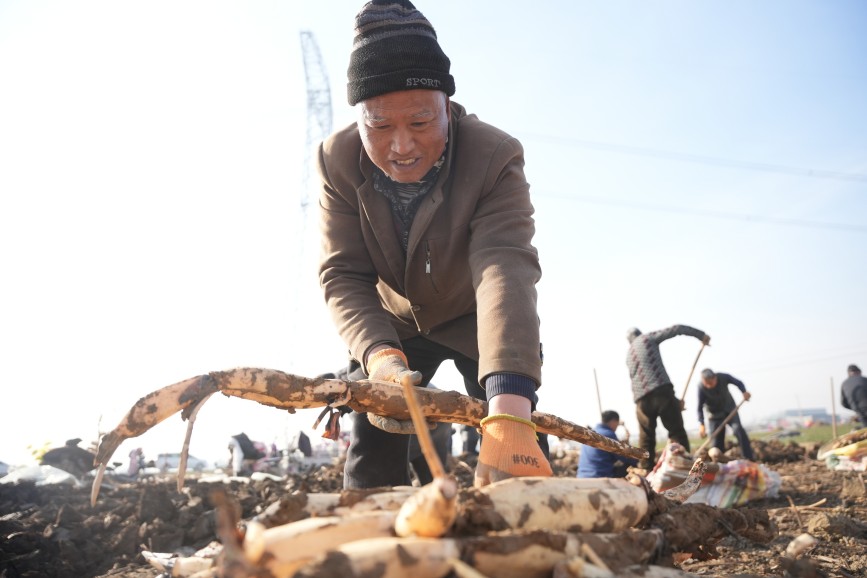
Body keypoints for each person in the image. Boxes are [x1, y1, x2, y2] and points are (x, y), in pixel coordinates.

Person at [317, 0, 552, 490]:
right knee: (371, 463)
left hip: (477, 320)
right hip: (393, 327)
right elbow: (344, 275)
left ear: (446, 106)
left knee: (518, 462)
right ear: (358, 118)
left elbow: (504, 269)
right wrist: (380, 359)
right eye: (379, 127)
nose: (401, 146)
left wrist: (509, 406)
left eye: (420, 123)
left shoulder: (493, 155)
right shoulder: (336, 161)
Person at [626, 325, 711, 469]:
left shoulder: (629, 354)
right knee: (676, 431)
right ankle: (684, 466)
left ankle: (646, 470)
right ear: (639, 334)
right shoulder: (647, 338)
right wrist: (701, 335)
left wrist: (675, 402)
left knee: (646, 438)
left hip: (641, 400)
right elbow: (676, 329)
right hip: (661, 390)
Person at [696, 369, 754, 460]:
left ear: (715, 378)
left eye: (711, 383)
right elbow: (699, 408)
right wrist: (702, 424)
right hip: (714, 417)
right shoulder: (701, 387)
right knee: (716, 444)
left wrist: (744, 392)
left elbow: (738, 382)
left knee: (738, 429)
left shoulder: (723, 377)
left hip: (730, 410)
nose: (709, 386)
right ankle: (719, 463)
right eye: (707, 384)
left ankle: (749, 458)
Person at [577, 410, 638, 478]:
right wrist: (639, 461)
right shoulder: (608, 434)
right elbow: (625, 457)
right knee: (631, 466)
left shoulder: (589, 433)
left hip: (582, 475)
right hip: (599, 476)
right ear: (613, 421)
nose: (617, 426)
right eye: (617, 424)